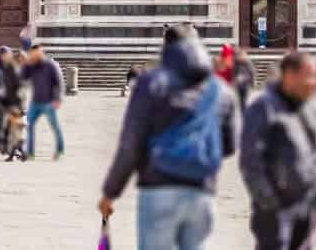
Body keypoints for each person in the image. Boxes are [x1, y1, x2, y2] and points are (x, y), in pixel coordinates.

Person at [99, 24, 240, 250]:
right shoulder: (220, 90)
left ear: (166, 46)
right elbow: (231, 146)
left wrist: (110, 193)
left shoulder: (150, 84)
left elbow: (130, 146)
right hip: (200, 192)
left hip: (158, 190)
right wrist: (196, 154)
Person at [241, 51, 316, 250]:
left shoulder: (308, 110)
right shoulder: (262, 108)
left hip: (306, 209)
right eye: (309, 76)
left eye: (315, 76)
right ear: (289, 75)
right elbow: (250, 161)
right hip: (276, 211)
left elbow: (313, 159)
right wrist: (270, 204)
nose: (314, 82)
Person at [24, 43, 66, 160]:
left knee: (55, 126)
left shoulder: (51, 65)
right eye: (32, 54)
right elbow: (23, 77)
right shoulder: (32, 66)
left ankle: (60, 150)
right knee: (29, 125)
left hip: (49, 102)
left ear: (40, 53)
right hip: (35, 102)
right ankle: (30, 153)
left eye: (35, 54)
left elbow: (59, 83)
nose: (34, 56)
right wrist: (27, 64)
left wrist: (58, 99)